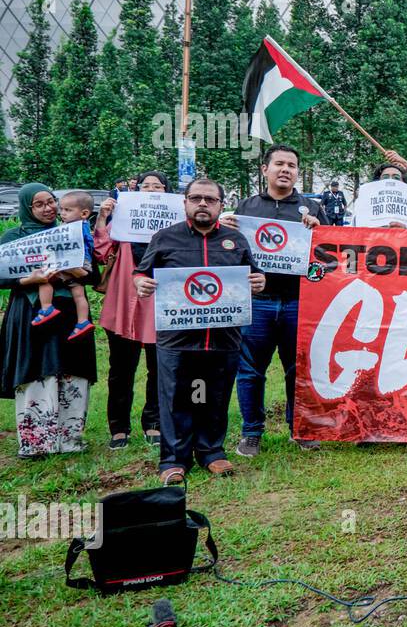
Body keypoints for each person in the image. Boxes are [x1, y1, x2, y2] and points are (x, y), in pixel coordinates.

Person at [136, 178, 266, 484]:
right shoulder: (165, 238)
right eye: (196, 198)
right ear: (185, 203)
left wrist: (261, 283)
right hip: (177, 338)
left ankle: (211, 452)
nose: (203, 204)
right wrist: (140, 283)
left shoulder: (236, 240)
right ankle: (174, 459)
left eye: (210, 199)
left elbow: (253, 274)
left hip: (223, 337)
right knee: (176, 398)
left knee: (214, 396)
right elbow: (141, 273)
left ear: (222, 205)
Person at [219, 144, 325, 457]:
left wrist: (319, 232)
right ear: (264, 169)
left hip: (298, 301)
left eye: (291, 165)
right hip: (257, 302)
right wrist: (224, 231)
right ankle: (251, 432)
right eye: (279, 164)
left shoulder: (311, 208)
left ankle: (300, 430)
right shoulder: (246, 207)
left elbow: (330, 255)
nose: (285, 170)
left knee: (297, 370)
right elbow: (229, 251)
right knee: (251, 370)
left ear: (297, 172)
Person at [0, 184, 98, 457]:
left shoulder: (71, 231)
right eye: (39, 204)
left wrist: (74, 269)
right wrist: (28, 280)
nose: (48, 209)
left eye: (51, 202)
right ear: (27, 208)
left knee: (72, 369)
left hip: (71, 313)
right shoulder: (13, 236)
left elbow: (93, 275)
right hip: (32, 312)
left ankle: (70, 439)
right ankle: (37, 443)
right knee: (36, 370)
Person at [94, 171, 171, 450]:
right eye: (145, 186)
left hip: (160, 304)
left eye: (157, 186)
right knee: (120, 369)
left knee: (159, 369)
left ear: (167, 192)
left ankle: (154, 423)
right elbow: (101, 252)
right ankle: (118, 427)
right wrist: (103, 217)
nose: (151, 190)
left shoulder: (174, 223)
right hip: (124, 301)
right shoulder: (122, 219)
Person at [32, 190, 96, 340]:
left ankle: (46, 308)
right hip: (81, 263)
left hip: (75, 261)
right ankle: (82, 322)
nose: (62, 213)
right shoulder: (82, 225)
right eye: (61, 209)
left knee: (45, 278)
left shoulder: (76, 227)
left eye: (67, 210)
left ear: (84, 213)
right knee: (79, 294)